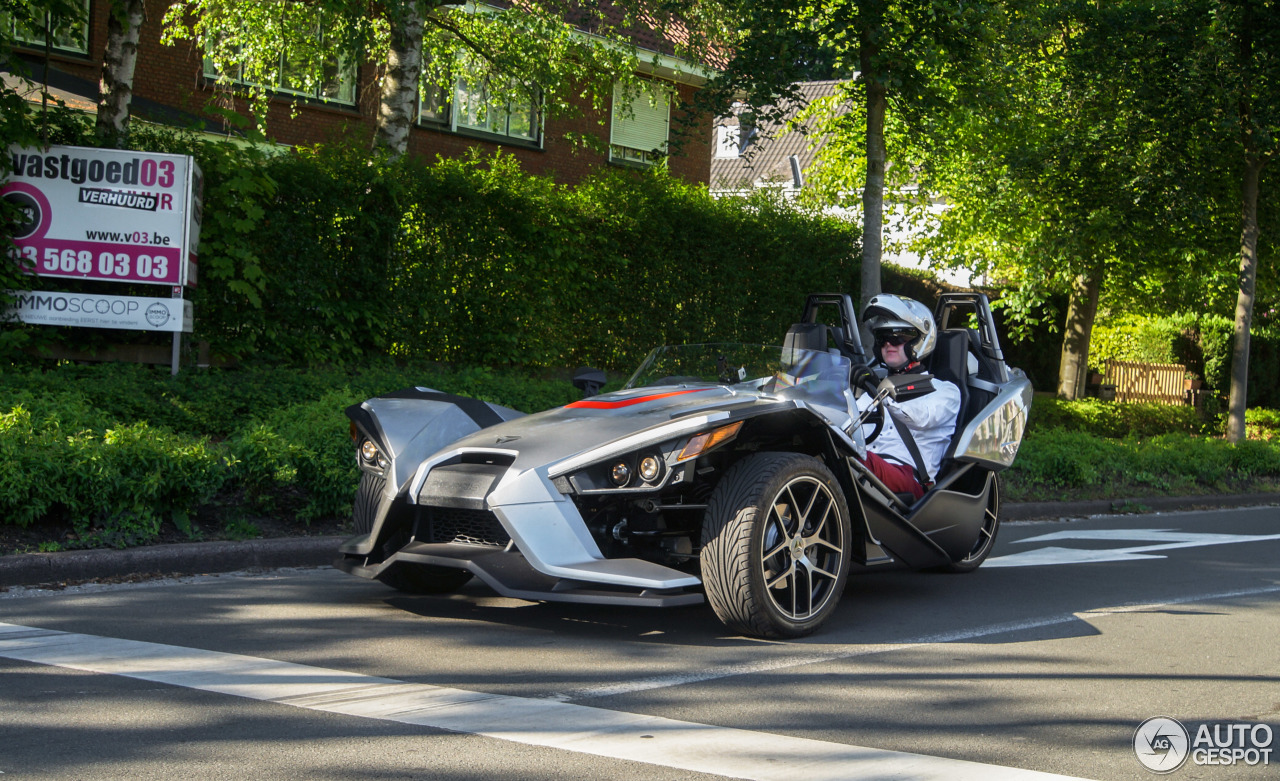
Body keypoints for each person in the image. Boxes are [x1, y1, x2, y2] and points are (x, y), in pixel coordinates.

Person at [852, 295, 961, 500]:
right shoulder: (870, 387)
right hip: (868, 464)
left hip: (910, 477)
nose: (888, 344)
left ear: (919, 341)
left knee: (847, 458)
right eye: (882, 338)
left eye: (898, 337)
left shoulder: (945, 391)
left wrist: (878, 389)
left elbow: (920, 418)